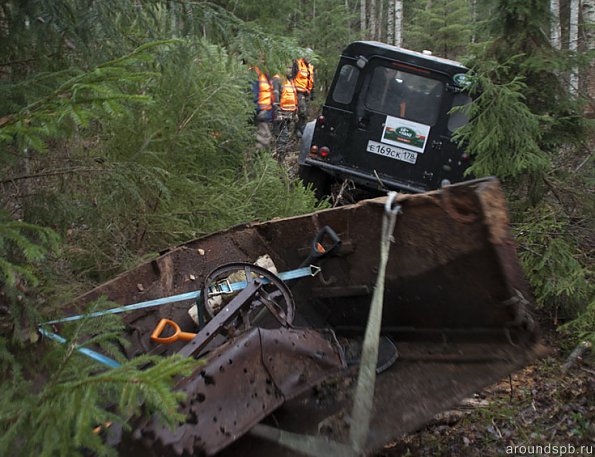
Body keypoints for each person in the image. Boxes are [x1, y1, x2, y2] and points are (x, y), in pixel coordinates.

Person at [271, 66, 298, 162]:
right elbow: (275, 99)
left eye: (291, 67)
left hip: (289, 115)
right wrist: (278, 113)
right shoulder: (277, 80)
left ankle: (278, 160)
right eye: (288, 67)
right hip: (281, 116)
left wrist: (295, 113)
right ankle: (279, 162)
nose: (290, 69)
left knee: (283, 139)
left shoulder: (290, 80)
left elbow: (293, 98)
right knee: (282, 138)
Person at [251, 65, 274, 150]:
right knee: (263, 138)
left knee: (264, 137)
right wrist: (259, 110)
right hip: (260, 112)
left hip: (265, 112)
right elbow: (253, 94)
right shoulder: (255, 73)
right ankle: (258, 160)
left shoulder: (264, 75)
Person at [292, 56, 314, 135]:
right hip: (298, 91)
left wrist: (312, 92)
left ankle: (299, 129)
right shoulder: (297, 63)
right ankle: (299, 129)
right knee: (302, 110)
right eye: (307, 56)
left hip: (307, 92)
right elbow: (292, 76)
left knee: (306, 112)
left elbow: (311, 80)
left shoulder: (310, 66)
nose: (309, 58)